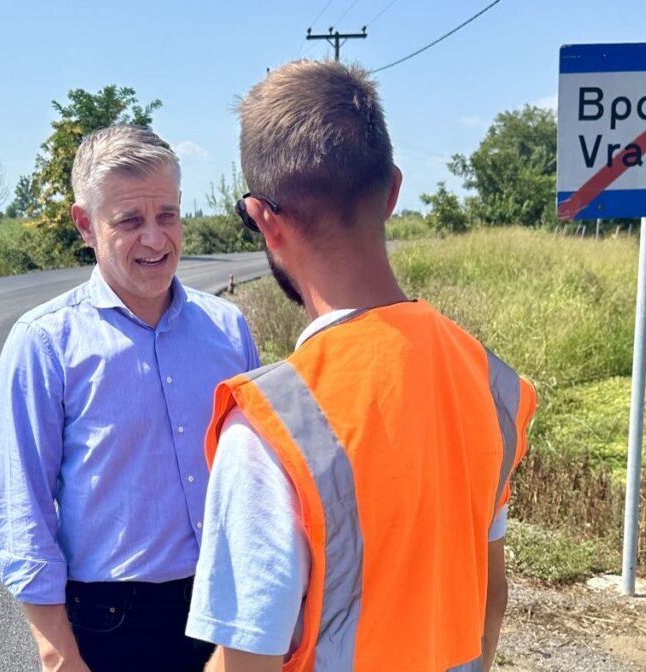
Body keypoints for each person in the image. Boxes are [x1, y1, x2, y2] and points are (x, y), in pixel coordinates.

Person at [185, 61, 537, 672]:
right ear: (393, 190)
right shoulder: (491, 382)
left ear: (263, 218)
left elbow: (248, 663)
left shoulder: (270, 428)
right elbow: (490, 596)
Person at [0, 125, 260, 672]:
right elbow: (24, 513)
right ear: (86, 224)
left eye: (168, 215)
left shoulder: (228, 331)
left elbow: (259, 481)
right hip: (109, 624)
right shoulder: (44, 344)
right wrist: (58, 654)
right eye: (130, 221)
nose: (156, 239)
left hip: (225, 608)